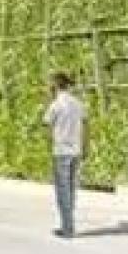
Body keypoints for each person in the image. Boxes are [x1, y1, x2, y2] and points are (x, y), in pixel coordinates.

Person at [42, 73, 87, 239]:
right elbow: (85, 125)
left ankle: (68, 228)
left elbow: (47, 125)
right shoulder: (78, 103)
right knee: (71, 188)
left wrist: (49, 145)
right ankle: (68, 224)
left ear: (55, 86)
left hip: (61, 151)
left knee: (63, 191)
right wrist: (85, 146)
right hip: (76, 150)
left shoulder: (55, 105)